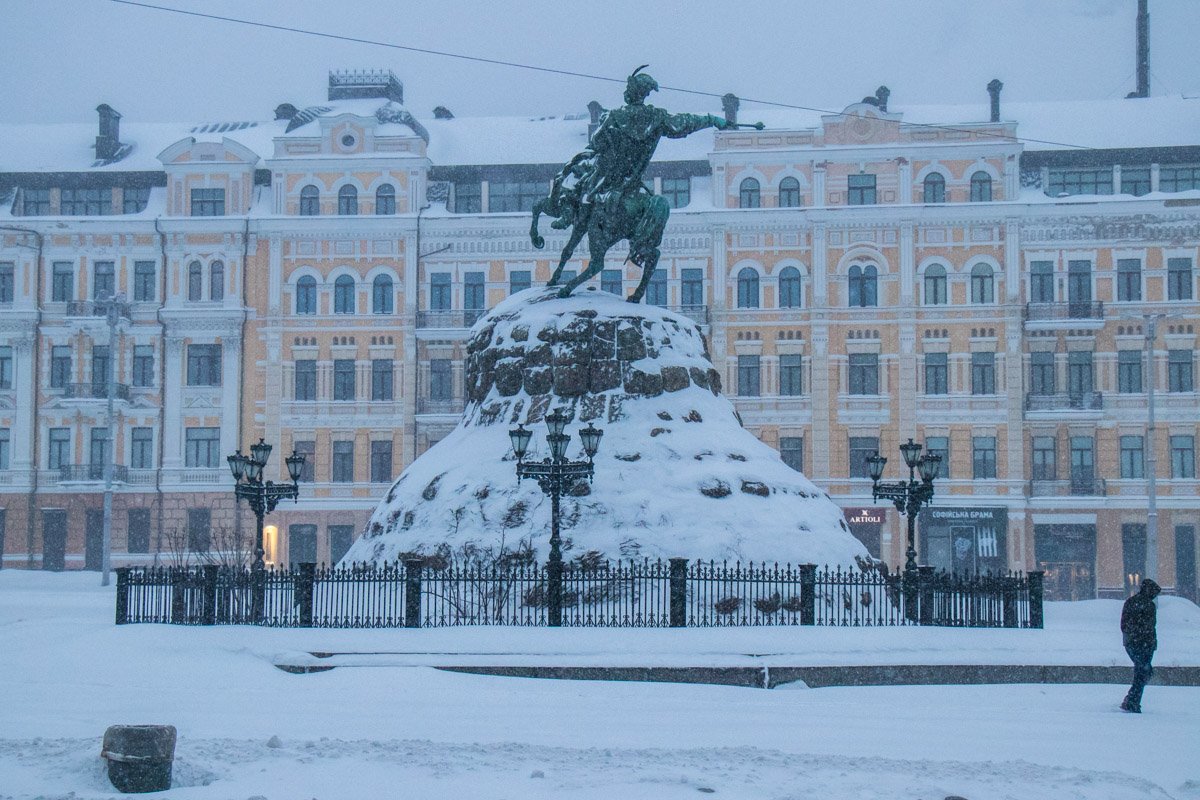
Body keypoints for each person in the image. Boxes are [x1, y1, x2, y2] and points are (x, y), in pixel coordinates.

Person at [1120, 578, 1161, 713]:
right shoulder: (1149, 605)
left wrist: (1130, 637)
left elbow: (1124, 624)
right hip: (1145, 643)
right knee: (1143, 671)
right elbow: (1150, 626)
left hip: (1133, 642)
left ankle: (1132, 700)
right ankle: (1132, 701)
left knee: (1141, 671)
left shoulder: (1130, 602)